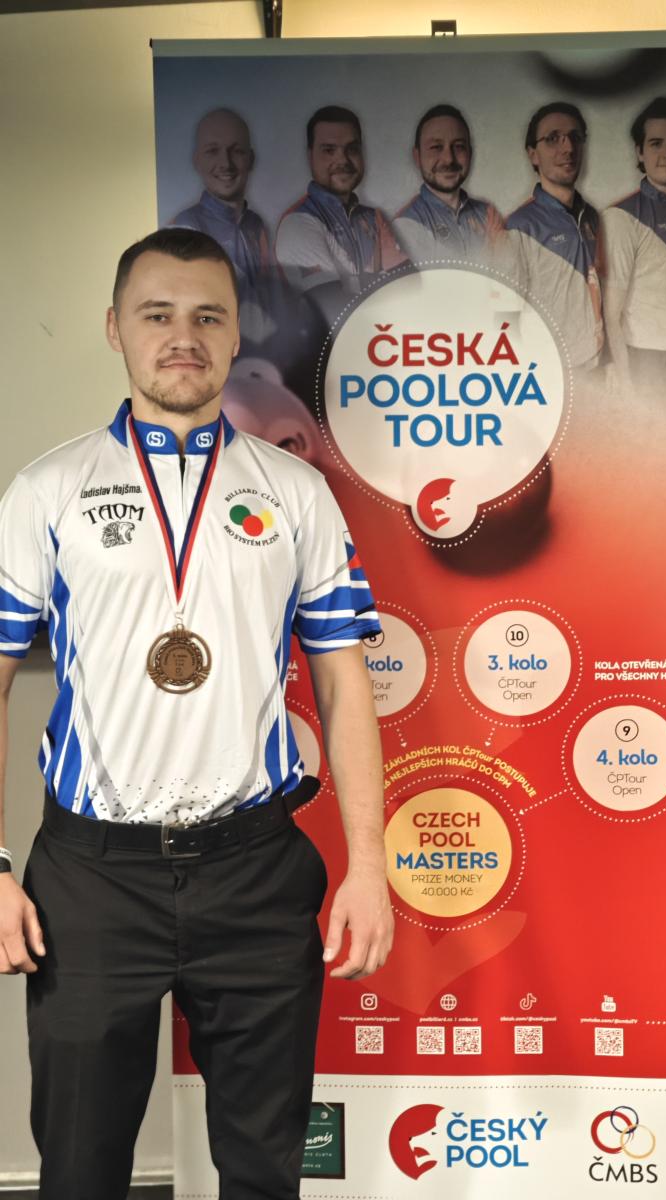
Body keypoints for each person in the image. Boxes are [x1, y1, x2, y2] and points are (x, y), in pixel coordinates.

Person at [0, 228, 393, 1200]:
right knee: (81, 1172)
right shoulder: (47, 490)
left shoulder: (296, 492)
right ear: (115, 329)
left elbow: (344, 683)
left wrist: (368, 867)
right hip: (91, 879)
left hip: (254, 872)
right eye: (158, 315)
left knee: (264, 1170)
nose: (184, 336)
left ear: (234, 334)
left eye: (208, 316)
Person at [275, 105, 407, 305]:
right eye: (329, 150)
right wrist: (381, 281)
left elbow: (410, 287)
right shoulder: (297, 223)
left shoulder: (374, 218)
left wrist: (354, 285)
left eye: (352, 149)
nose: (343, 160)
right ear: (310, 156)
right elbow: (332, 310)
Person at [506, 102, 604, 370]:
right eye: (552, 139)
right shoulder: (519, 226)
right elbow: (506, 316)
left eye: (575, 137)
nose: (568, 148)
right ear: (533, 155)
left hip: (595, 365)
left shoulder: (593, 217)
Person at [601, 96, 666, 398]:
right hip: (651, 361)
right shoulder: (621, 217)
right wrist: (623, 375)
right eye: (656, 143)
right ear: (640, 152)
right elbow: (611, 311)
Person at [171, 108, 270, 294]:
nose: (226, 163)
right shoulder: (186, 226)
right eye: (212, 151)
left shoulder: (256, 225)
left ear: (251, 160)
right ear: (197, 161)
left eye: (237, 151)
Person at [394, 104, 503, 264]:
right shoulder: (406, 225)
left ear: (470, 153)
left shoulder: (488, 214)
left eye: (459, 147)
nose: (449, 159)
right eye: (436, 147)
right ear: (417, 156)